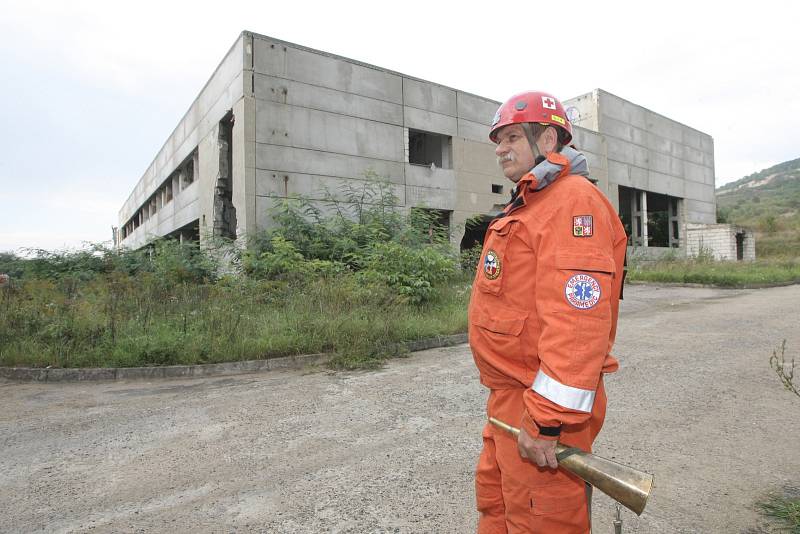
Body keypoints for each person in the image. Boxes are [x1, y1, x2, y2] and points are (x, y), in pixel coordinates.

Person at [468, 91, 627, 533]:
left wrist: (547, 419)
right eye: (498, 139)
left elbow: (578, 324)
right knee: (498, 508)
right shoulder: (532, 200)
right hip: (508, 399)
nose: (500, 147)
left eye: (513, 136)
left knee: (543, 520)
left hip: (540, 407)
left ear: (549, 138)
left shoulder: (573, 201)